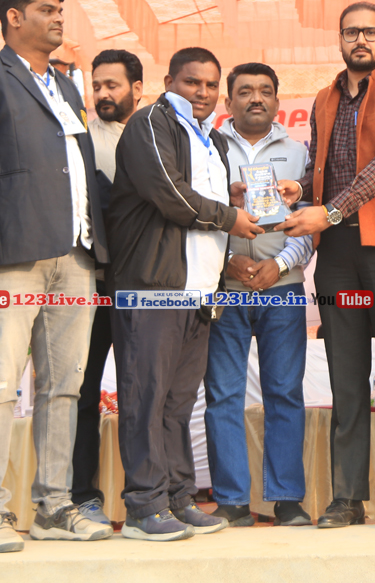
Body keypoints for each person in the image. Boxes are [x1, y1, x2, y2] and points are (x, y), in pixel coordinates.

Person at [0, 0, 112, 552]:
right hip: (11, 252)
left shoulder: (65, 85)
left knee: (65, 386)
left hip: (76, 255)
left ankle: (54, 506)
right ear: (14, 17)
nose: (59, 18)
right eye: (46, 9)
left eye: (61, 9)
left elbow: (75, 169)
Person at [276, 2, 375, 529]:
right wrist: (302, 190)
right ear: (339, 38)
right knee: (345, 375)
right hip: (336, 251)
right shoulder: (324, 97)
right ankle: (346, 497)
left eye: (370, 31)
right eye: (351, 32)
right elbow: (325, 166)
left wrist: (330, 210)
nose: (360, 39)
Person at [108, 47, 264, 541]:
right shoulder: (151, 124)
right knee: (145, 398)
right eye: (192, 82)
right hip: (153, 287)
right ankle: (143, 507)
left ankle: (177, 499)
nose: (203, 92)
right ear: (169, 81)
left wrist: (231, 201)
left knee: (177, 404)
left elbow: (202, 199)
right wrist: (229, 216)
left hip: (199, 291)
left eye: (211, 84)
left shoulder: (211, 139)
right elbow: (170, 194)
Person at [206, 63, 314, 527]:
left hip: (282, 289)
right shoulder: (208, 148)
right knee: (223, 395)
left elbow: (311, 222)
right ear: (228, 101)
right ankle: (231, 500)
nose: (256, 99)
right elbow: (198, 216)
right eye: (245, 91)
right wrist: (225, 261)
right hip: (224, 290)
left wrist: (281, 264)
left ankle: (286, 498)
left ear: (277, 101)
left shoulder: (299, 152)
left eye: (265, 91)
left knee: (284, 393)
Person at [71, 49, 144, 525]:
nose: (102, 94)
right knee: (81, 394)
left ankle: (147, 498)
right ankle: (83, 497)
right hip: (92, 289)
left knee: (144, 395)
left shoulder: (157, 136)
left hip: (142, 290)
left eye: (112, 85)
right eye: (96, 85)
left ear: (137, 88)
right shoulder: (79, 140)